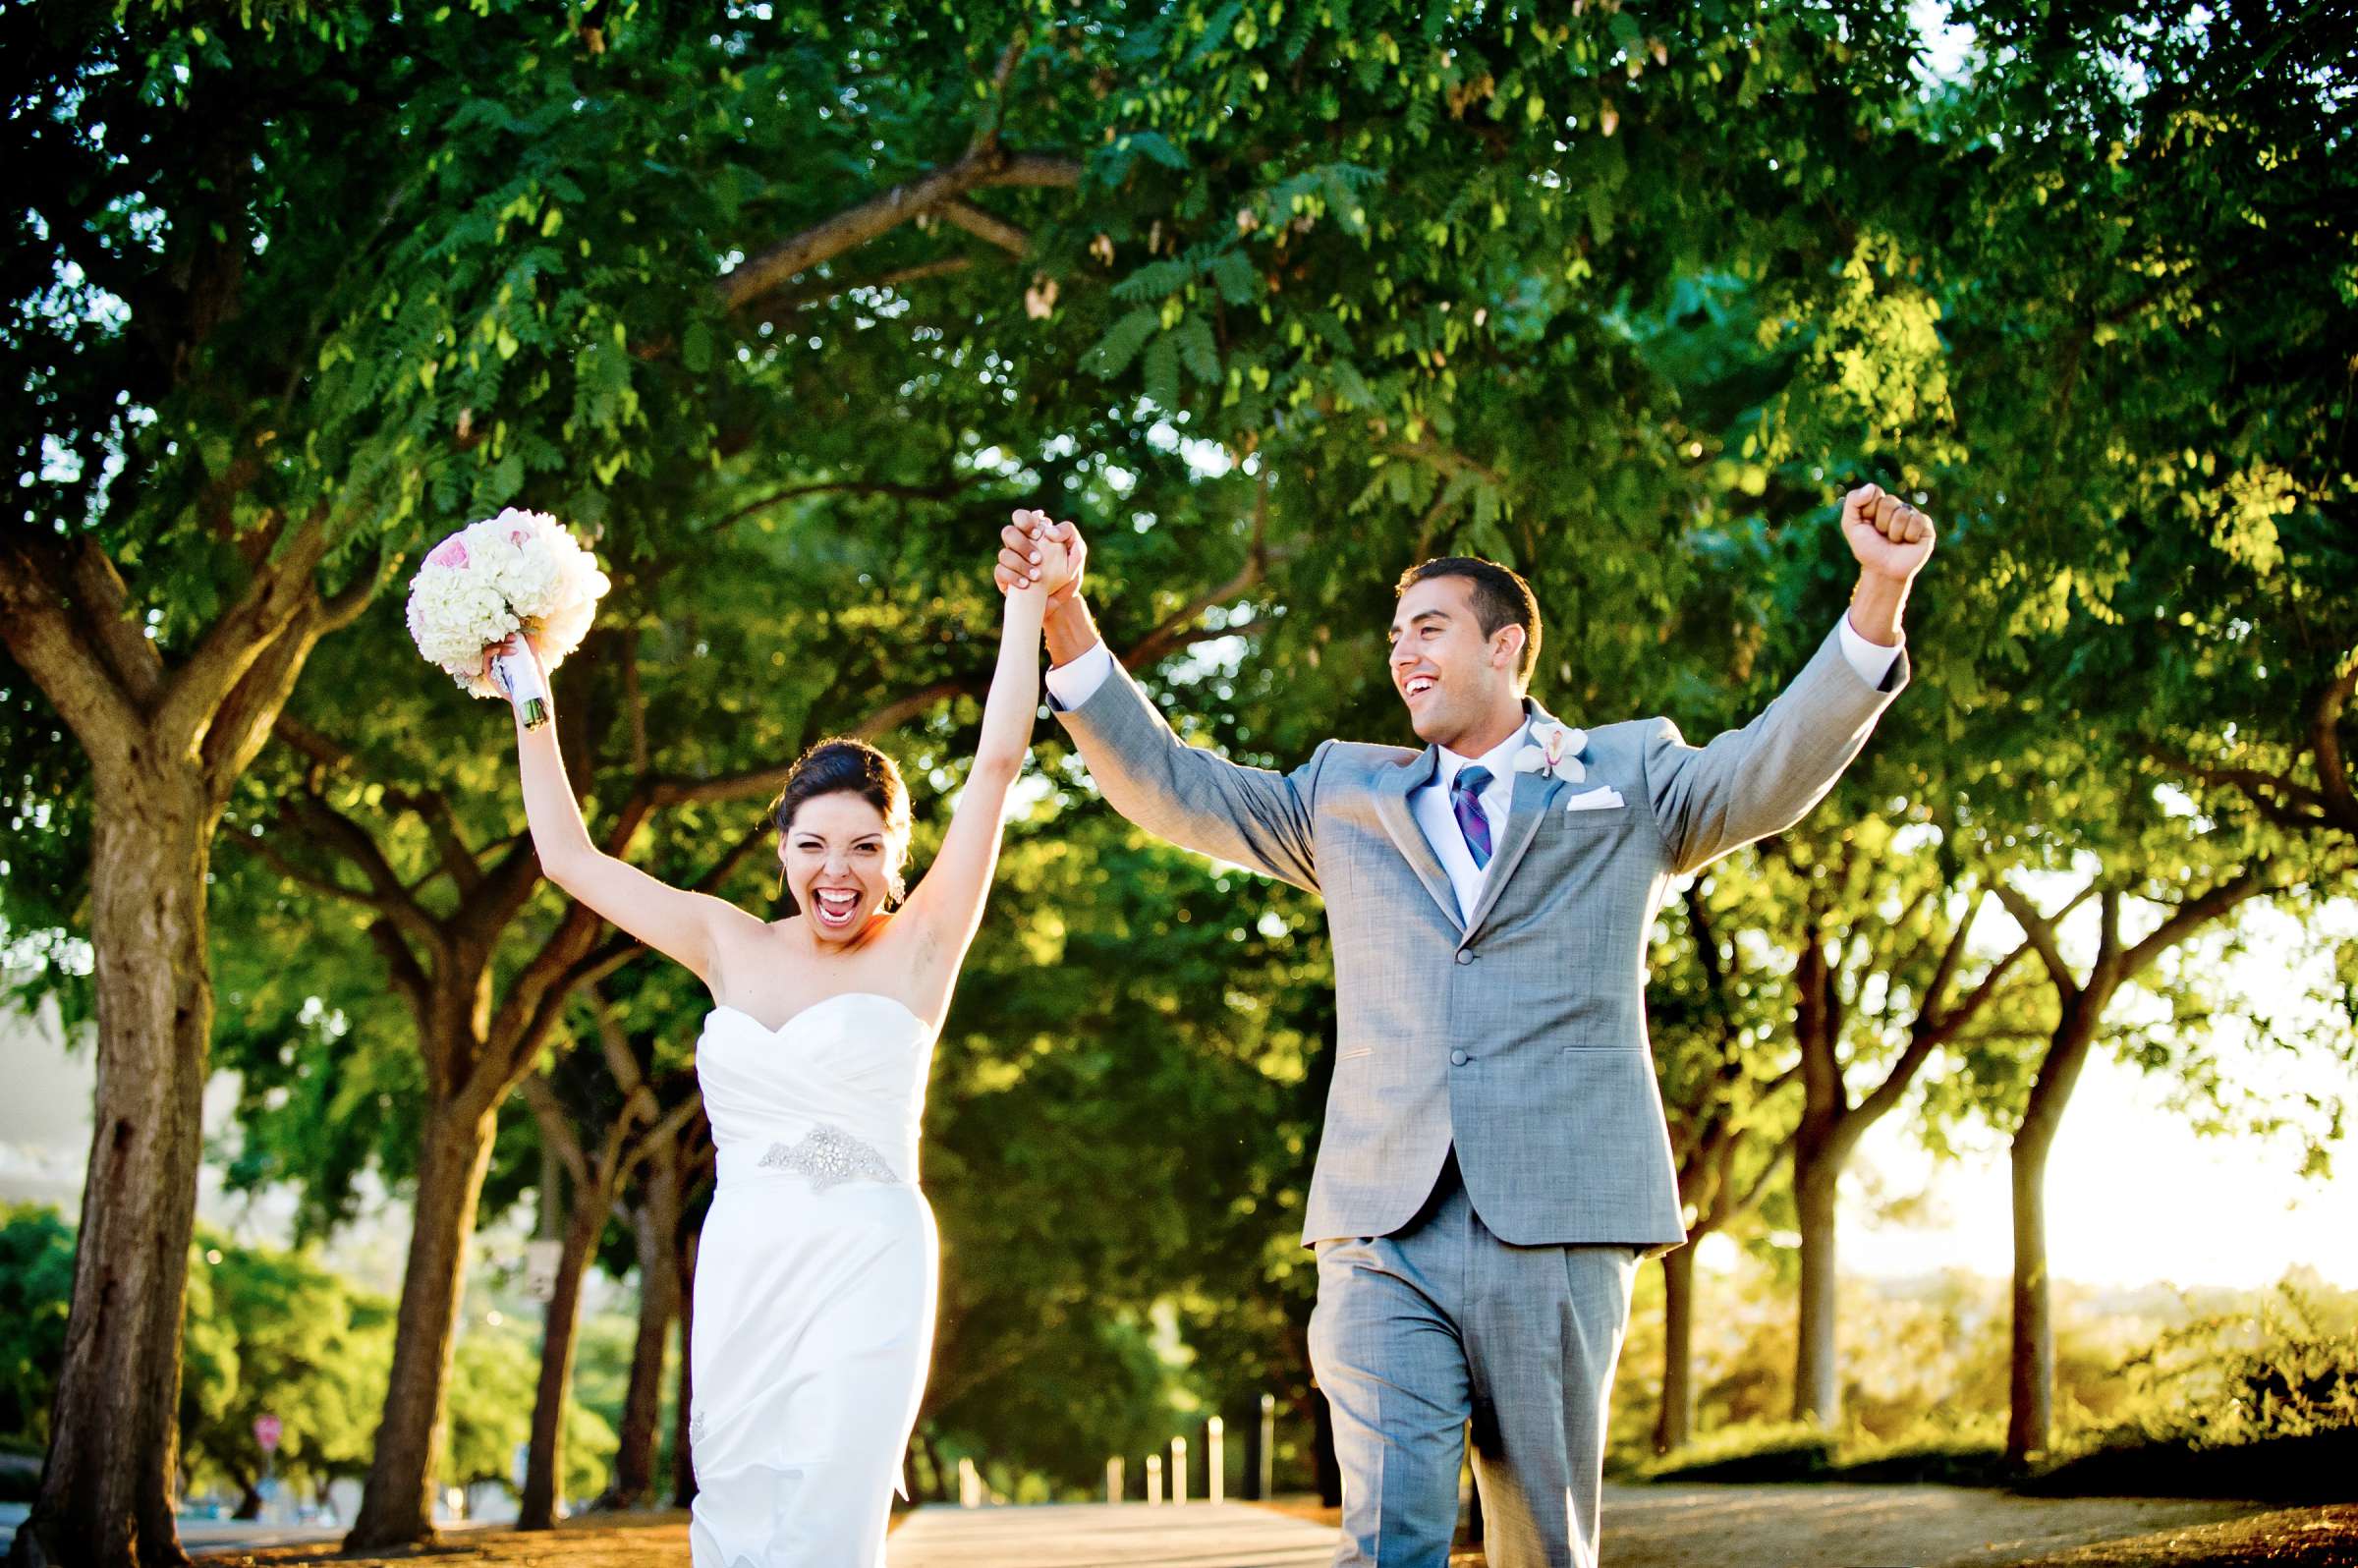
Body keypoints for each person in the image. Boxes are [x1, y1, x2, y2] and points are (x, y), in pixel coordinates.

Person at [994, 488, 1933, 1567]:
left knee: (1543, 1546)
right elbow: (1171, 785)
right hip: (1382, 1225)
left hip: (1562, 1220)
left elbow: (1771, 765)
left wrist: (1880, 589)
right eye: (1395, 639)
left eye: (1427, 629)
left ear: (1507, 645)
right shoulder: (1341, 795)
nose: (1403, 656)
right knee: (1391, 1538)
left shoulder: (1629, 776)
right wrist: (1066, 612)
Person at [497, 526, 1074, 1565]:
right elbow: (568, 857)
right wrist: (527, 688)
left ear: (898, 861)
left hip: (871, 1259)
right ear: (781, 853)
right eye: (812, 846)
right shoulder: (725, 942)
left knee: (830, 1512)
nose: (836, 871)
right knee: (739, 1511)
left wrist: (1028, 600)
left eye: (864, 848)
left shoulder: (924, 947)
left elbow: (996, 762)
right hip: (744, 1266)